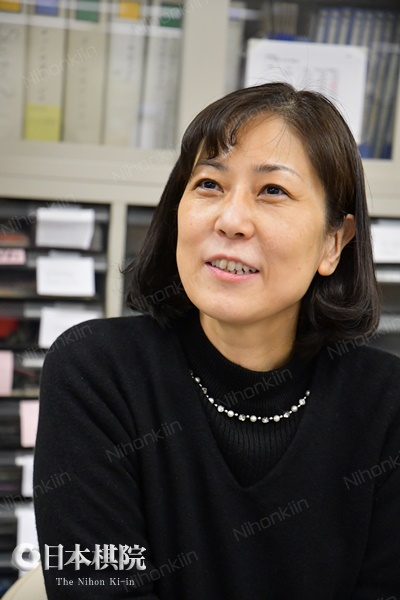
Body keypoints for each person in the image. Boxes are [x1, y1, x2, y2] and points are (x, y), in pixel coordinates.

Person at [33, 82, 400, 599]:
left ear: (333, 242)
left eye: (273, 191)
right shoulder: (96, 371)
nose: (231, 220)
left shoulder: (386, 403)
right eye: (209, 184)